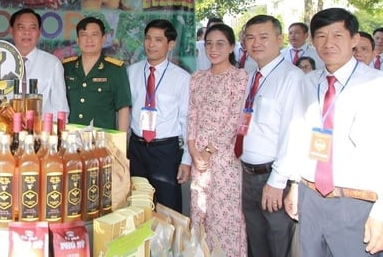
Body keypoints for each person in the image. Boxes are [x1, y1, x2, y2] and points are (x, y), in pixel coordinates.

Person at [284, 8, 383, 256]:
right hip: (311, 196)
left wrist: (381, 213)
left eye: (337, 35)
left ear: (355, 39)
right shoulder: (309, 82)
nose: (328, 43)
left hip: (356, 202)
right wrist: (296, 184)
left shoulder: (376, 84)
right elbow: (299, 135)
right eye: (321, 36)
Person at [236, 14, 303, 257]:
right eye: (250, 38)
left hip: (273, 177)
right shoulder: (252, 75)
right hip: (247, 173)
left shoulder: (291, 77)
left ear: (279, 39)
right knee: (256, 241)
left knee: (277, 241)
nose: (256, 43)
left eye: (264, 37)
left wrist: (277, 182)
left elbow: (292, 134)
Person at [187, 23, 248, 256]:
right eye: (209, 43)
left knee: (225, 217)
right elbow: (191, 115)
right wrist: (194, 151)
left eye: (220, 43)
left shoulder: (239, 77)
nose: (213, 49)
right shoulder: (198, 78)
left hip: (224, 160)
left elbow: (235, 120)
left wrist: (208, 152)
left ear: (232, 47)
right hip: (199, 160)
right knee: (200, 212)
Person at [127, 19, 191, 212]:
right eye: (147, 38)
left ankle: (169, 243)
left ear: (170, 45)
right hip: (137, 148)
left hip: (165, 151)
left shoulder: (181, 78)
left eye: (158, 40)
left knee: (168, 206)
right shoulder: (132, 71)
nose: (151, 44)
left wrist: (186, 160)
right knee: (138, 204)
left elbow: (186, 119)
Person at [63, 17, 131, 131]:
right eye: (84, 35)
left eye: (94, 35)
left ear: (103, 39)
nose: (89, 40)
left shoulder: (115, 69)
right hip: (71, 139)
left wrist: (121, 142)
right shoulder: (66, 67)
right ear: (78, 40)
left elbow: (123, 107)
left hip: (102, 140)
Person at [9, 8, 69, 117]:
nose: (27, 32)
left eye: (32, 28)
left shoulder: (52, 64)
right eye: (21, 27)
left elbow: (60, 108)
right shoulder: (0, 63)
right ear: (11, 31)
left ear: (39, 33)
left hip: (40, 131)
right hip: (4, 129)